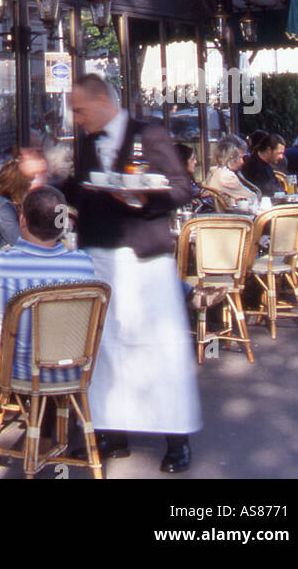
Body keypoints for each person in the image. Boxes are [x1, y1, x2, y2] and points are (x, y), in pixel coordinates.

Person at [64, 74, 200, 474]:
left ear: (102, 100)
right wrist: (48, 181)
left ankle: (177, 440)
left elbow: (182, 189)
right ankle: (112, 433)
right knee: (106, 350)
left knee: (159, 350)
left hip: (144, 259)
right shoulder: (88, 143)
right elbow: (81, 192)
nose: (77, 118)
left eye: (81, 110)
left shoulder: (151, 133)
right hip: (100, 260)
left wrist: (143, 196)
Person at [0, 186, 95, 381]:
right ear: (62, 224)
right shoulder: (83, 264)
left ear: (22, 220)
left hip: (17, 374)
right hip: (71, 372)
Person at [205, 136, 260, 208]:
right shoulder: (226, 176)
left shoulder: (216, 171)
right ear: (230, 156)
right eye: (239, 157)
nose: (242, 162)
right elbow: (253, 197)